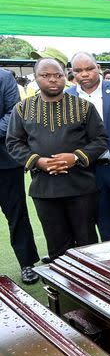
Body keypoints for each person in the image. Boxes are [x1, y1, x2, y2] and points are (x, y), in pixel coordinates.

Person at [6, 58, 108, 262]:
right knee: (57, 245)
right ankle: (62, 290)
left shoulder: (84, 107)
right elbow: (14, 143)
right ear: (36, 78)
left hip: (81, 187)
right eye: (46, 76)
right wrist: (38, 161)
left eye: (58, 75)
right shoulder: (22, 109)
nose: (53, 80)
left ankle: (90, 290)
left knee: (86, 242)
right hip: (45, 189)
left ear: (65, 77)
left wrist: (75, 157)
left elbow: (100, 140)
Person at [66, 52, 110, 241]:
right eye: (79, 70)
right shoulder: (67, 97)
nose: (85, 74)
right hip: (89, 171)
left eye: (89, 69)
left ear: (97, 68)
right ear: (72, 72)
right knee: (103, 220)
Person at [0, 69, 39, 284]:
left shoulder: (4, 78)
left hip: (5, 164)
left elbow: (11, 116)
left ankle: (27, 263)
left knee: (17, 216)